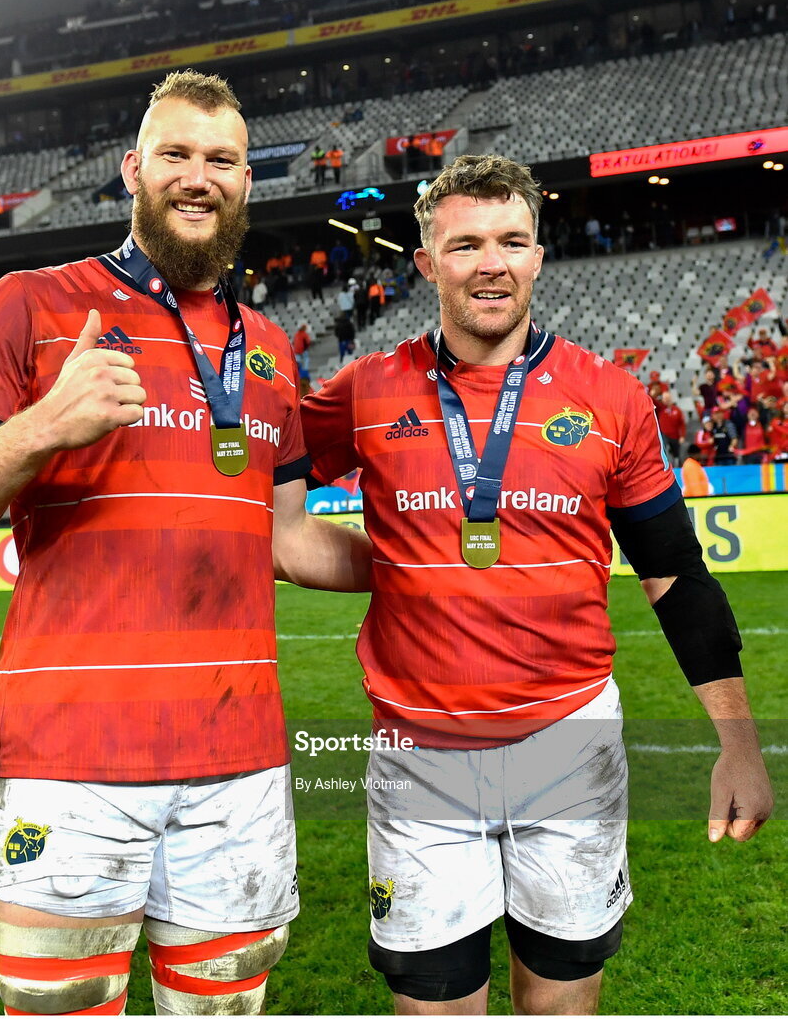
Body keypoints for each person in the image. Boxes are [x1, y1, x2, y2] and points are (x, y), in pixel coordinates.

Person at [0, 69, 370, 1018]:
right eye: (176, 154)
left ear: (245, 182)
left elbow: (293, 539)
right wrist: (42, 427)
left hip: (240, 766)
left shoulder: (269, 349)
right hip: (69, 766)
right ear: (131, 171)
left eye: (222, 160)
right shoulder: (28, 306)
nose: (200, 176)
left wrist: (426, 563)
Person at [300, 154, 772, 1016]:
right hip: (419, 752)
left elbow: (677, 577)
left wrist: (739, 744)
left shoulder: (611, 396)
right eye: (467, 243)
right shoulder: (365, 391)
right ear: (426, 263)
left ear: (539, 257)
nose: (493, 263)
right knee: (434, 1005)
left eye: (513, 241)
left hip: (570, 742)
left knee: (560, 1002)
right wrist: (389, 564)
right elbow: (259, 493)